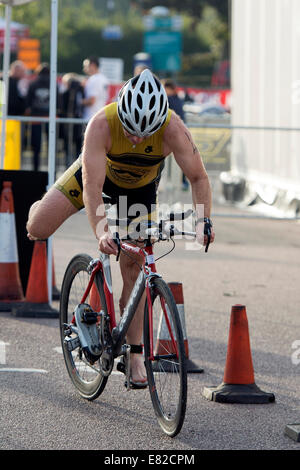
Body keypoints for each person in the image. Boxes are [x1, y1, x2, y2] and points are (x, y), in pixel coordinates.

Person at [26, 69, 215, 388]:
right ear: (121, 111)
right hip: (96, 179)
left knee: (134, 267)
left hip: (137, 194)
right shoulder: (101, 123)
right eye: (130, 131)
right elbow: (92, 185)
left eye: (145, 134)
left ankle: (135, 354)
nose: (137, 139)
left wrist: (202, 221)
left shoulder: (174, 128)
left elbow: (198, 178)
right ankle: (39, 205)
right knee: (37, 227)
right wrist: (101, 231)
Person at [162, 78, 189, 190]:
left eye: (164, 88)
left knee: (168, 159)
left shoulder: (169, 99)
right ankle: (182, 182)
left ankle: (171, 182)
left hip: (171, 134)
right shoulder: (178, 98)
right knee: (181, 158)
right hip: (181, 133)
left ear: (169, 89)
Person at [60, 73, 85, 166]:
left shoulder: (66, 93)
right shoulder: (81, 90)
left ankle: (70, 168)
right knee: (77, 148)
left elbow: (62, 107)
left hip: (70, 124)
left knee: (69, 148)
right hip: (78, 123)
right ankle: (77, 168)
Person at [82, 56, 109, 122]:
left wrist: (78, 101)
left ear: (93, 65)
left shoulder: (93, 80)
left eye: (86, 66)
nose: (84, 69)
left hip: (90, 117)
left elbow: (92, 101)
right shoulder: (104, 78)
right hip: (100, 116)